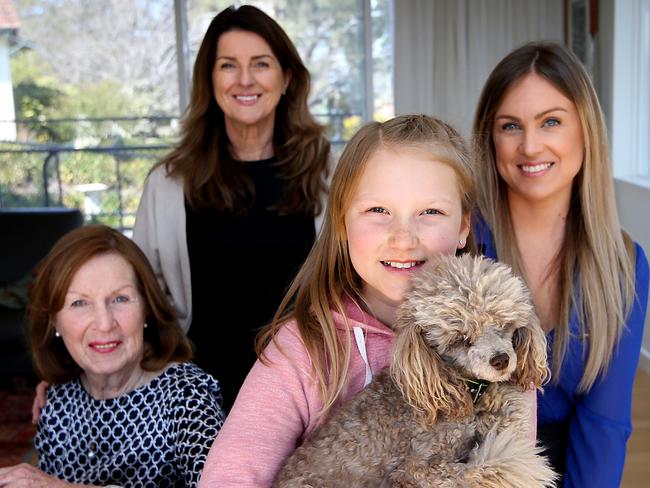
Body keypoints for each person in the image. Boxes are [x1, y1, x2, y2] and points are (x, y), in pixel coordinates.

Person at [197, 114, 536, 487]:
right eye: (378, 211)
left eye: (430, 212)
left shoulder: (504, 341)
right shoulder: (300, 351)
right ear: (342, 224)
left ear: (462, 227)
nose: (403, 238)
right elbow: (231, 475)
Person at [132, 5, 330, 412]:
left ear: (287, 77)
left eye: (261, 64)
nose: (244, 79)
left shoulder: (328, 173)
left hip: (307, 389)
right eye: (228, 65)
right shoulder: (168, 182)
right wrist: (76, 372)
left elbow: (355, 280)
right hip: (196, 396)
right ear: (210, 79)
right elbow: (137, 292)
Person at [471, 41, 649, 487]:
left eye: (551, 121)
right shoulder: (460, 246)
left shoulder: (624, 266)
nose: (530, 146)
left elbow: (604, 426)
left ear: (584, 131)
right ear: (490, 139)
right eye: (511, 126)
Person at [0, 225, 224, 487]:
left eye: (120, 298)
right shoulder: (58, 400)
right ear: (54, 322)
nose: (104, 324)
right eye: (79, 303)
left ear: (147, 309)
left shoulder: (187, 394)